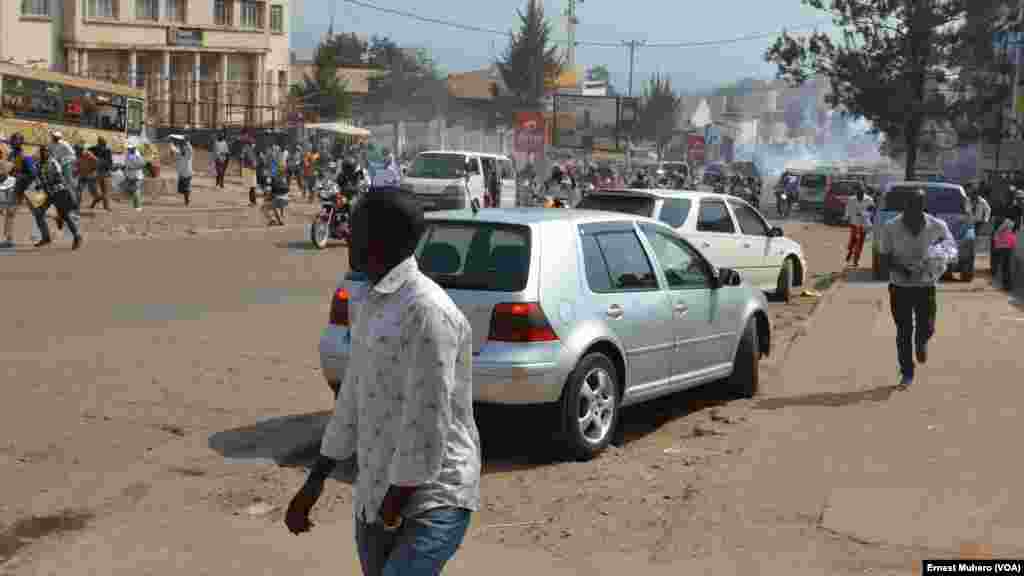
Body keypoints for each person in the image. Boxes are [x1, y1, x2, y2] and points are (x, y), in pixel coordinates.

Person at [284, 188, 480, 576]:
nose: (346, 235)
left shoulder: (427, 311)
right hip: (375, 492)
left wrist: (399, 497)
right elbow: (352, 398)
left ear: (381, 240)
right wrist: (315, 481)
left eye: (355, 228)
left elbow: (429, 415)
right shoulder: (370, 302)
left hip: (432, 496)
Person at [877, 188, 957, 388]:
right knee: (903, 331)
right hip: (900, 286)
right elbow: (883, 259)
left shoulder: (937, 226)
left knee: (927, 327)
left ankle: (921, 342)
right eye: (908, 207)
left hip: (925, 286)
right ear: (904, 207)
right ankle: (907, 372)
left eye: (917, 207)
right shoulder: (890, 227)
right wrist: (901, 270)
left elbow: (950, 248)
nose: (912, 212)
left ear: (923, 207)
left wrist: (941, 260)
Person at [32, 145, 83, 250]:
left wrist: (44, 184)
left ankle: (77, 236)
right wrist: (39, 185)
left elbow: (59, 178)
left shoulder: (53, 163)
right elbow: (39, 177)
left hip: (59, 192)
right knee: (38, 213)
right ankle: (46, 237)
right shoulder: (38, 164)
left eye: (46, 151)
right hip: (47, 193)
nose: (44, 153)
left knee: (65, 215)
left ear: (49, 153)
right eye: (42, 151)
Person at [844, 185, 874, 268]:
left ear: (864, 192)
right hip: (854, 223)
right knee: (852, 240)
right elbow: (848, 209)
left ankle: (856, 260)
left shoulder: (869, 200)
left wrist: (863, 214)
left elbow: (871, 212)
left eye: (861, 192)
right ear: (856, 192)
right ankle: (850, 251)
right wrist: (846, 218)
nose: (859, 194)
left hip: (864, 224)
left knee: (860, 243)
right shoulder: (851, 199)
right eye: (857, 192)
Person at [991, 216, 1017, 289]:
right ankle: (1007, 284)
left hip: (1003, 246)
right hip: (1008, 245)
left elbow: (997, 233)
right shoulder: (1011, 223)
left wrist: (996, 244)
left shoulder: (1005, 223)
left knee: (1004, 266)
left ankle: (1006, 284)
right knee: (1007, 266)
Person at [170, 135, 194, 206]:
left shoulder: (188, 149)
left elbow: (183, 152)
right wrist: (172, 146)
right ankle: (187, 196)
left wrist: (174, 146)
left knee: (186, 188)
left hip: (187, 172)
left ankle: (187, 199)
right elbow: (176, 154)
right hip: (181, 172)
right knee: (181, 189)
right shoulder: (181, 150)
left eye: (184, 141)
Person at [90, 137, 113, 211]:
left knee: (104, 191)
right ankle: (100, 203)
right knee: (98, 190)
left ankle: (106, 206)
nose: (102, 145)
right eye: (101, 143)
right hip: (98, 172)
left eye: (102, 143)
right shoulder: (94, 149)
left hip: (104, 172)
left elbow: (109, 162)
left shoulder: (107, 150)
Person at [76, 142, 100, 212]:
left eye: (78, 150)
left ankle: (97, 198)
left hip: (90, 175)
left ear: (81, 149)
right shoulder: (78, 155)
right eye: (77, 150)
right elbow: (78, 165)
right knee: (78, 190)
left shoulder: (88, 154)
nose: (77, 151)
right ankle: (77, 205)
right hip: (82, 175)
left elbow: (96, 162)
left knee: (93, 192)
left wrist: (92, 170)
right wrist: (77, 171)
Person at [122, 142, 147, 211]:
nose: (129, 149)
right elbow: (127, 164)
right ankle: (136, 205)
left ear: (134, 148)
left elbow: (142, 164)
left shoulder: (137, 155)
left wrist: (132, 166)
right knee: (133, 190)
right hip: (130, 175)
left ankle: (138, 206)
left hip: (137, 176)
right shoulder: (128, 155)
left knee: (136, 190)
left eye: (130, 148)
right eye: (128, 148)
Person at [242, 141, 258, 206]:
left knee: (252, 187)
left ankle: (253, 201)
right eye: (253, 143)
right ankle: (253, 201)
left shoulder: (246, 149)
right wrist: (255, 164)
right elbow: (252, 160)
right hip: (250, 170)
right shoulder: (249, 150)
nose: (254, 145)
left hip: (248, 169)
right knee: (252, 186)